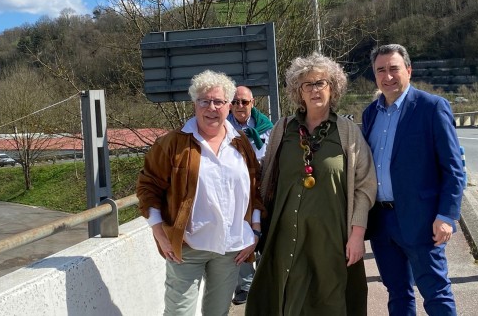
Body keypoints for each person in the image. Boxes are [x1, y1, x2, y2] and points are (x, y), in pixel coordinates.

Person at [246, 53, 377, 316]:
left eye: (322, 83)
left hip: (332, 238)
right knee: (288, 297)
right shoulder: (283, 129)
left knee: (330, 300)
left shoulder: (348, 132)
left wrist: (357, 235)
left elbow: (365, 186)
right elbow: (263, 178)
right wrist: (256, 223)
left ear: (333, 88)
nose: (315, 89)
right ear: (299, 92)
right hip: (286, 236)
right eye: (308, 84)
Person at [136, 70, 264, 316]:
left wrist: (255, 231)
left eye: (219, 101)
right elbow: (148, 186)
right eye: (205, 101)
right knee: (178, 313)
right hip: (187, 247)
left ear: (228, 106)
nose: (212, 108)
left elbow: (255, 189)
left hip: (230, 249)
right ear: (194, 104)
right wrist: (160, 233)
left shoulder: (241, 144)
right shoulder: (173, 143)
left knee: (217, 313)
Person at [361, 44, 465, 316]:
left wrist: (446, 215)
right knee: (397, 293)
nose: (388, 76)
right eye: (380, 70)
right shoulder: (370, 113)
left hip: (422, 221)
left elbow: (453, 168)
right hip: (382, 223)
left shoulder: (432, 107)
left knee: (435, 292)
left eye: (394, 68)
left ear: (408, 70)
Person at [227, 85, 274, 305]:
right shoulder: (222, 127)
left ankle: (266, 281)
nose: (239, 106)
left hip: (264, 189)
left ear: (252, 103)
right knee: (241, 235)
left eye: (244, 102)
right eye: (235, 102)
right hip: (236, 194)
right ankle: (244, 285)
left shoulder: (267, 128)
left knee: (266, 235)